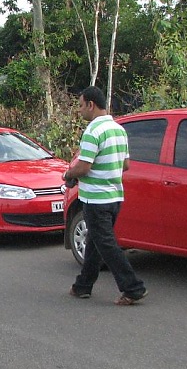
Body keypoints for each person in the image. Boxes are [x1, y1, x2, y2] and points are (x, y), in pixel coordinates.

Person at [62, 86, 147, 306]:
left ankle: (133, 287)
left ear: (91, 104)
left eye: (81, 106)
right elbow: (126, 164)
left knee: (106, 244)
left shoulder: (93, 131)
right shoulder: (118, 130)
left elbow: (84, 166)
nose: (80, 111)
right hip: (115, 197)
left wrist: (69, 174)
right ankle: (83, 286)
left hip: (96, 199)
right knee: (96, 242)